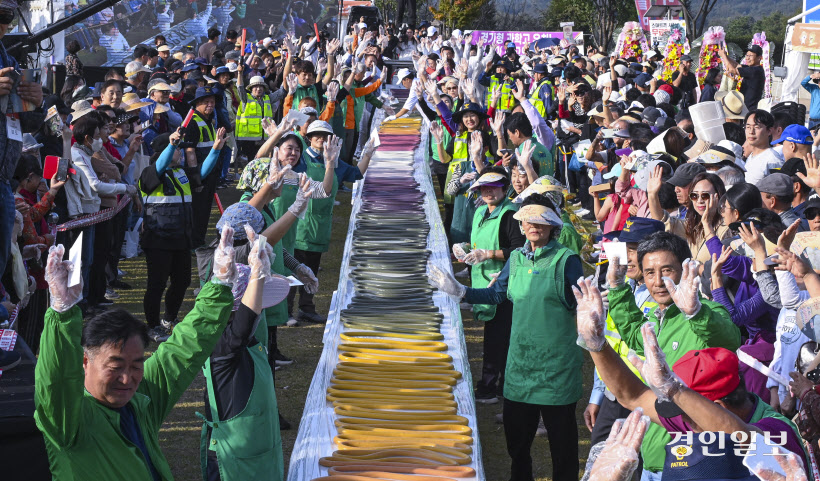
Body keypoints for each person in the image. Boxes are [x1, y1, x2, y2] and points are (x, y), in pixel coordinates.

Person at [34, 228, 237, 479]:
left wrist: (219, 284)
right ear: (85, 361)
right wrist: (61, 313)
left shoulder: (141, 401)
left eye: (136, 365)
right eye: (115, 366)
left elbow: (183, 349)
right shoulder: (68, 422)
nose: (127, 378)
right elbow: (57, 380)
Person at [574, 279, 807, 477]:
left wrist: (675, 391)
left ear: (716, 407)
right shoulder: (696, 420)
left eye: (683, 410)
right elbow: (632, 396)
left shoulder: (777, 433)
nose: (680, 421)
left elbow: (740, 437)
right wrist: (596, 344)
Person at [429, 193, 584, 481]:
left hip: (556, 367)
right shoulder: (515, 258)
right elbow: (496, 293)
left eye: (541, 220)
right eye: (527, 220)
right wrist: (461, 291)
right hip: (520, 366)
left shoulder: (567, 260)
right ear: (521, 226)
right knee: (517, 442)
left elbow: (583, 306)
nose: (533, 225)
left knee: (562, 445)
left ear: (553, 226)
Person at [604, 231, 741, 480]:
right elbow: (636, 338)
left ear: (685, 268)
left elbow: (728, 340)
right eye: (649, 273)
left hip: (697, 460)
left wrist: (695, 313)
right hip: (654, 457)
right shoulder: (659, 316)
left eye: (667, 270)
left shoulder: (706, 311)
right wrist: (617, 288)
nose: (657, 281)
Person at [200, 230, 290, 480]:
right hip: (232, 460)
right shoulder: (222, 345)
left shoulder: (252, 342)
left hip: (262, 453)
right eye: (258, 305)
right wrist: (256, 274)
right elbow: (244, 322)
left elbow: (249, 319)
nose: (261, 312)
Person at [139, 128, 226, 341]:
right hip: (158, 239)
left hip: (180, 238)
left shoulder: (180, 173)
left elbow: (201, 174)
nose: (181, 153)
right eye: (177, 150)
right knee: (156, 284)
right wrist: (172, 145)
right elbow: (160, 166)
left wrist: (215, 149)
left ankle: (169, 318)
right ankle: (152, 325)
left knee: (183, 281)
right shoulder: (150, 173)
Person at [452, 168, 525, 404]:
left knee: (499, 339)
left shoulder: (510, 213)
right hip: (483, 283)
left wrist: (489, 254)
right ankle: (493, 385)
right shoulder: (480, 210)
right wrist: (465, 249)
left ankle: (493, 387)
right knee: (493, 337)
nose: (489, 191)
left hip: (504, 285)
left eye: (494, 187)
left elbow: (519, 250)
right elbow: (478, 241)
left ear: (505, 189)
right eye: (484, 187)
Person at [184, 86, 222, 249]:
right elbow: (189, 151)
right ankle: (194, 242)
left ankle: (199, 240)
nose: (210, 105)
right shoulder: (193, 123)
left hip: (210, 173)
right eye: (206, 102)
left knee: (205, 209)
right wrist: (195, 177)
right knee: (197, 210)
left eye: (212, 102)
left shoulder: (209, 121)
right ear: (197, 103)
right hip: (200, 174)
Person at [720, 45, 766, 110]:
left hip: (749, 109)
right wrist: (725, 55)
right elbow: (736, 65)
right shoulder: (752, 68)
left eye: (750, 56)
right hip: (745, 107)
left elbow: (733, 70)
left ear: (759, 58)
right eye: (747, 55)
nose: (747, 58)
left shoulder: (756, 71)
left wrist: (723, 56)